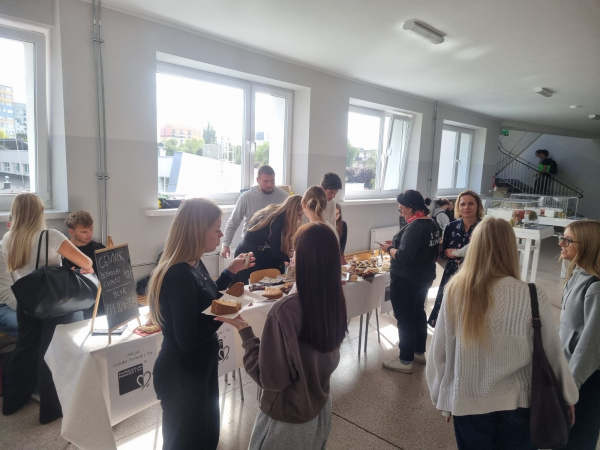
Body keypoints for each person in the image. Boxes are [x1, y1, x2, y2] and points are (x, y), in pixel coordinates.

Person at [426, 217, 578, 450]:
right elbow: (552, 351)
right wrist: (567, 396)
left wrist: (442, 398)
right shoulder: (531, 293)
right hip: (520, 402)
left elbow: (440, 353)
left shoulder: (456, 291)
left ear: (474, 247)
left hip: (467, 401)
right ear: (510, 248)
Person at [216, 222, 347, 449]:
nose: (291, 257)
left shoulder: (285, 310)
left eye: (294, 251)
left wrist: (246, 334)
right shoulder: (335, 298)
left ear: (303, 259)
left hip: (288, 417)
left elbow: (271, 378)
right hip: (320, 406)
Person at [147, 198, 253, 449]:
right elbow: (189, 338)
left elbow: (206, 300)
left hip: (198, 367)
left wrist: (228, 273)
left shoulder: (195, 262)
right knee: (186, 442)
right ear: (197, 231)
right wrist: (226, 310)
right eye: (216, 229)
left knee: (207, 436)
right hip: (182, 374)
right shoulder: (178, 275)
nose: (221, 235)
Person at [2, 193, 94, 424]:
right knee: (52, 353)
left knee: (25, 350)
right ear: (40, 212)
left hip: (26, 302)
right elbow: (86, 262)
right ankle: (51, 410)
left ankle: (12, 402)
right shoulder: (50, 236)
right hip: (53, 304)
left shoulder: (8, 238)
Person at [380, 190, 439, 373]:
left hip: (406, 280)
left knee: (404, 318)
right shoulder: (431, 223)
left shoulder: (415, 227)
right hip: (423, 278)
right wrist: (397, 245)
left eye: (402, 208)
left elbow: (404, 257)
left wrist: (388, 249)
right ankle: (419, 352)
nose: (401, 212)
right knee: (418, 313)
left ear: (411, 208)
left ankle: (405, 360)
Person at [558, 220, 600, 450]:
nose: (561, 243)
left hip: (586, 378)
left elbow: (591, 345)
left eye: (568, 240)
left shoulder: (595, 287)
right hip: (569, 372)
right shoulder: (575, 274)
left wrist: (571, 388)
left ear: (588, 245)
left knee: (578, 441)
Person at [428, 190, 484, 327]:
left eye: (471, 204)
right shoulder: (451, 226)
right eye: (462, 204)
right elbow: (442, 252)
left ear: (478, 206)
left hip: (475, 273)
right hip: (452, 273)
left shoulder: (485, 227)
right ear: (458, 206)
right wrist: (446, 252)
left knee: (469, 312)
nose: (466, 207)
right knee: (448, 309)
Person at [220, 165, 289, 259]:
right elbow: (233, 222)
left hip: (274, 249)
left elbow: (290, 224)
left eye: (272, 180)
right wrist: (225, 245)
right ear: (258, 180)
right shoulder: (246, 197)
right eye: (266, 181)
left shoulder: (284, 197)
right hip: (250, 247)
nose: (270, 184)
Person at [234, 195, 303, 284]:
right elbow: (275, 248)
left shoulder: (276, 211)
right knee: (244, 286)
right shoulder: (276, 220)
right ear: (292, 211)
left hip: (256, 250)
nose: (299, 218)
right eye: (299, 215)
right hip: (249, 254)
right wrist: (291, 260)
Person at [63, 211, 106, 318]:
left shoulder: (98, 248)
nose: (89, 234)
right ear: (71, 232)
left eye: (91, 229)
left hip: (101, 301)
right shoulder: (64, 253)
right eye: (84, 232)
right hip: (77, 303)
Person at [0, 217, 17, 337]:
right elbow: (6, 294)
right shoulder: (2, 251)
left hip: (26, 302)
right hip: (3, 305)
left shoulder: (34, 248)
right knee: (29, 326)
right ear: (9, 225)